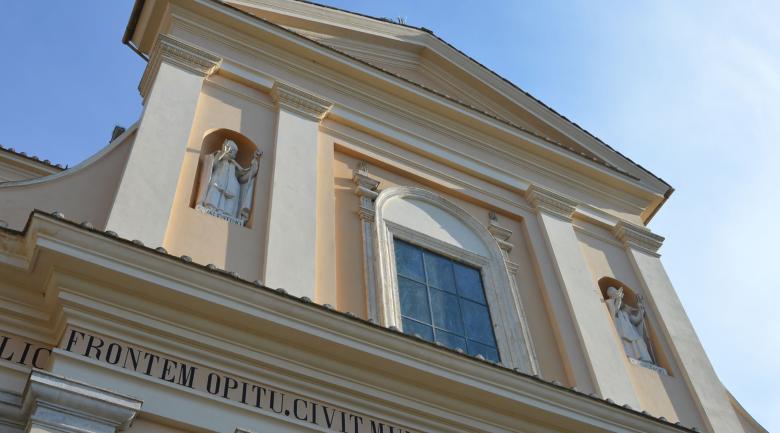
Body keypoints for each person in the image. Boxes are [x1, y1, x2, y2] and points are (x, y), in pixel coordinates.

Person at [605, 286, 654, 363]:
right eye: (614, 292)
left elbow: (635, 320)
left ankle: (645, 360)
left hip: (632, 332)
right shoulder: (610, 303)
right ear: (611, 295)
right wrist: (618, 299)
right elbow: (614, 311)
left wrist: (641, 310)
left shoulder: (625, 311)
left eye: (616, 291)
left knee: (640, 341)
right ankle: (630, 357)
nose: (616, 293)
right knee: (627, 343)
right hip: (623, 332)